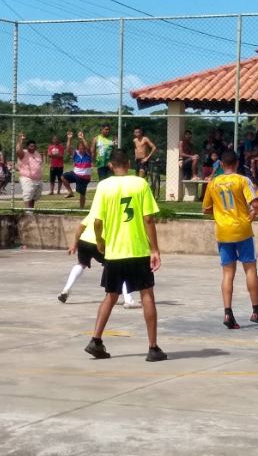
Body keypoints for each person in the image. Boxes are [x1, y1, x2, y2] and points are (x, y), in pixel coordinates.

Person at [85, 148, 167, 362]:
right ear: (129, 163)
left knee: (110, 295)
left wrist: (100, 241)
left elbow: (97, 221)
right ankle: (153, 347)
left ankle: (95, 339)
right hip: (138, 251)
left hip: (114, 252)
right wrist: (155, 249)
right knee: (146, 294)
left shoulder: (104, 186)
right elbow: (148, 219)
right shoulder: (140, 184)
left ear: (110, 165)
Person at [202, 150, 258, 330]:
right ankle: (256, 311)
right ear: (236, 163)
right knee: (250, 269)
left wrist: (221, 213)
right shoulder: (243, 180)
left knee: (228, 274)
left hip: (223, 231)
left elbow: (206, 209)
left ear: (221, 164)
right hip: (242, 229)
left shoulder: (213, 183)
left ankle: (228, 313)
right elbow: (256, 204)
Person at [58, 212, 140, 309]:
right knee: (119, 268)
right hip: (100, 243)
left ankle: (66, 289)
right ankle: (128, 300)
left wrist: (75, 244)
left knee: (81, 264)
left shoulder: (95, 211)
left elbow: (81, 227)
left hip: (84, 241)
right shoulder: (114, 213)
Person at [62, 131, 92, 209]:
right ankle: (70, 192)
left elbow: (87, 147)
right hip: (75, 174)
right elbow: (68, 148)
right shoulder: (76, 153)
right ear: (78, 149)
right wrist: (69, 138)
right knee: (63, 177)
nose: (82, 150)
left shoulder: (88, 154)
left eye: (83, 149)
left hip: (84, 177)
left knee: (82, 194)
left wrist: (82, 138)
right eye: (80, 149)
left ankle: (81, 208)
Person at [16, 133, 43, 209]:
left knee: (34, 196)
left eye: (34, 146)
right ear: (27, 146)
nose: (33, 148)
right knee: (28, 194)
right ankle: (28, 211)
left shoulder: (37, 154)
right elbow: (18, 150)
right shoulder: (24, 153)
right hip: (27, 178)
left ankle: (31, 210)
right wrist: (21, 140)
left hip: (38, 179)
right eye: (31, 146)